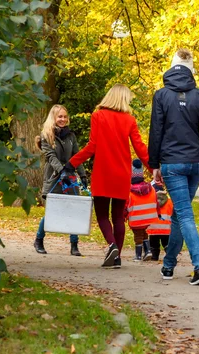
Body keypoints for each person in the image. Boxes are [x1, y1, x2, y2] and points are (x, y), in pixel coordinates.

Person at [148, 48, 199, 285]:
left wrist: (154, 165)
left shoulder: (161, 95)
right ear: (191, 70)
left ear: (171, 67)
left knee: (184, 215)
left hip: (173, 162)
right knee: (179, 215)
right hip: (196, 162)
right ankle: (168, 265)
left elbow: (156, 132)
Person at [66, 84, 150, 268]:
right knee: (118, 216)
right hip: (122, 173)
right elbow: (140, 148)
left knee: (102, 215)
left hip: (103, 172)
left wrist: (73, 162)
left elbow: (92, 146)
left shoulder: (98, 116)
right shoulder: (129, 120)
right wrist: (153, 167)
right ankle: (117, 257)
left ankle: (112, 246)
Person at [34, 104, 88, 256]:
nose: (63, 119)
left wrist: (82, 175)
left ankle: (74, 245)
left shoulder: (71, 136)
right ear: (54, 118)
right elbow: (50, 156)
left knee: (74, 209)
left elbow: (77, 156)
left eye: (65, 116)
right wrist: (62, 171)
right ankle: (39, 239)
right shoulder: (46, 135)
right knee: (53, 210)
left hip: (69, 177)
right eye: (60, 116)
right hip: (55, 177)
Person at [125, 159, 157, 262]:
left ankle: (138, 255)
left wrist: (123, 216)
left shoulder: (130, 191)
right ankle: (147, 251)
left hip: (136, 219)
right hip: (148, 217)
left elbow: (126, 206)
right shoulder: (149, 188)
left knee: (138, 236)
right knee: (144, 233)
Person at [147, 188, 173, 262]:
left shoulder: (151, 202)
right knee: (167, 244)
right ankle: (170, 257)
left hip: (153, 228)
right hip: (166, 229)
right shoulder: (170, 202)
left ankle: (154, 257)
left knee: (154, 245)